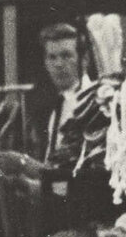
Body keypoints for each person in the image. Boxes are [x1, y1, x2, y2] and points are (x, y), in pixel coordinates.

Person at [29, 19, 85, 161]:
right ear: (45, 63)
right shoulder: (57, 106)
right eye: (52, 57)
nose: (59, 64)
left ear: (84, 60)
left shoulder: (93, 104)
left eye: (66, 56)